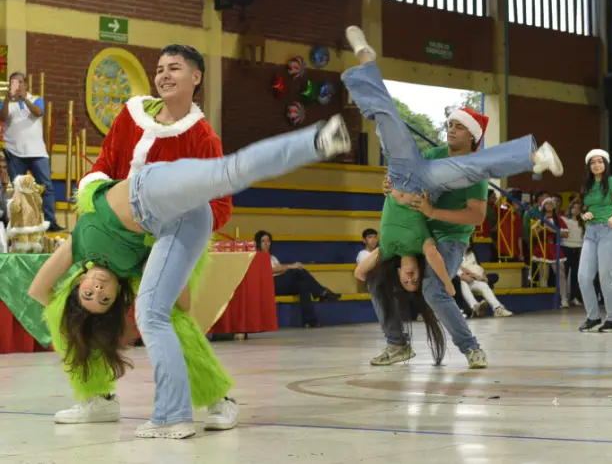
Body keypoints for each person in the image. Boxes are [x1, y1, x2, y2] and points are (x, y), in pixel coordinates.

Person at [29, 115, 351, 439]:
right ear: (116, 298)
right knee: (153, 313)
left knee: (228, 172)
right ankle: (166, 414)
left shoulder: (80, 243)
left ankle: (317, 140)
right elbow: (181, 304)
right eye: (103, 299)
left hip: (150, 191)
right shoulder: (135, 270)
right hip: (183, 223)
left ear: (78, 283)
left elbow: (40, 290)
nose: (98, 290)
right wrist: (145, 293)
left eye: (88, 294)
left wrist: (76, 323)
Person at [342, 26, 562, 369]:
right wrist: (390, 185)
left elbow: (476, 218)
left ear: (472, 134)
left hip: (445, 236)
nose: (450, 128)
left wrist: (430, 209)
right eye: (449, 124)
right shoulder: (434, 154)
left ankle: (471, 347)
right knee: (388, 120)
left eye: (458, 126)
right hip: (412, 183)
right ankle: (366, 59)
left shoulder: (472, 174)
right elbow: (411, 180)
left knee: (433, 289)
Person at [50, 44, 235, 427]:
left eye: (175, 68)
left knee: (165, 316)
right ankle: (97, 396)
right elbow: (103, 165)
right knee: (66, 308)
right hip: (115, 232)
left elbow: (219, 207)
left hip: (167, 240)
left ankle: (219, 399)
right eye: (160, 68)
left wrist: (171, 232)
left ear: (196, 77)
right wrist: (96, 202)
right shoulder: (131, 116)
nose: (164, 75)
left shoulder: (203, 139)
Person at [576, 149, 612, 332]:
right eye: (593, 162)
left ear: (605, 163)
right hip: (591, 232)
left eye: (600, 161)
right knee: (583, 277)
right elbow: (583, 208)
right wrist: (584, 214)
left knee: (606, 276)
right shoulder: (587, 185)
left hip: (609, 230)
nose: (597, 165)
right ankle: (593, 317)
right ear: (589, 166)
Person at [3, 71, 59, 231]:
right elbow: (3, 118)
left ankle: (50, 222)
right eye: (13, 82)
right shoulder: (6, 102)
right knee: (18, 189)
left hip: (37, 152)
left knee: (46, 186)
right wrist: (8, 99)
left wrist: (24, 99)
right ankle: (19, 223)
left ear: (26, 84)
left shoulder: (36, 99)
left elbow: (39, 112)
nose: (17, 86)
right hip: (15, 153)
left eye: (20, 82)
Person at [257, 230, 339, 328]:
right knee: (297, 271)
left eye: (268, 241)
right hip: (270, 285)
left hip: (280, 283)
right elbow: (270, 270)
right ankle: (322, 292)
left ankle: (309, 321)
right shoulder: (258, 256)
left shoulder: (272, 257)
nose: (266, 243)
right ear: (258, 243)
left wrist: (289, 268)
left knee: (303, 285)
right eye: (263, 241)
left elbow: (280, 269)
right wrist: (290, 267)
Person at [458, 246, 512, 317]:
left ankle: (497, 308)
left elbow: (477, 267)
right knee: (462, 282)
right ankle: (475, 306)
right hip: (460, 280)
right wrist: (463, 276)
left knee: (484, 285)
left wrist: (481, 275)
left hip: (473, 278)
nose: (467, 244)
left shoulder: (471, 254)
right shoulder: (454, 254)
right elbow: (455, 269)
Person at [561, 199, 584, 307]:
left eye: (578, 209)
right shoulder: (564, 220)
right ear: (570, 209)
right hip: (566, 247)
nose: (576, 210)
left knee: (576, 275)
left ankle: (575, 297)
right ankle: (563, 298)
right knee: (564, 274)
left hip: (578, 249)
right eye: (574, 208)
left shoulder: (583, 222)